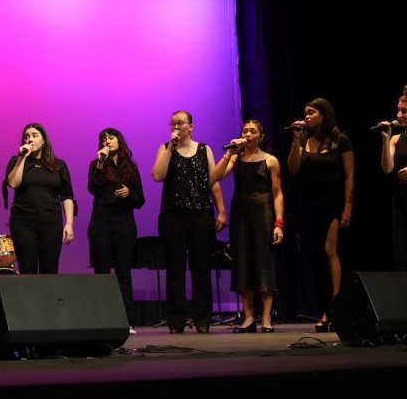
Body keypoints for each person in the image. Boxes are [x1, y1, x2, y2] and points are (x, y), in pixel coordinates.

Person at [151, 110, 226, 334]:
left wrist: (221, 211)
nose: (176, 127)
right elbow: (157, 176)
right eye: (173, 124)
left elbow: (213, 182)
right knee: (175, 270)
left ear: (191, 126)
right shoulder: (165, 148)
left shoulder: (205, 149)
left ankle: (202, 319)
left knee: (201, 268)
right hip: (172, 216)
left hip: (201, 215)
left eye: (180, 123)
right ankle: (176, 321)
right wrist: (170, 148)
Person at [286, 98, 353, 332]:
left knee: (329, 251)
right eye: (305, 112)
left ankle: (334, 309)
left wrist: (347, 207)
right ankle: (324, 307)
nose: (307, 116)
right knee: (315, 256)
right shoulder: (303, 139)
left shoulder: (340, 139)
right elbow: (293, 168)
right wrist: (296, 140)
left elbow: (348, 176)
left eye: (312, 112)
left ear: (324, 115)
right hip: (309, 205)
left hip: (332, 203)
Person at [212, 120, 284, 333]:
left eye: (253, 131)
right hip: (240, 213)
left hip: (262, 213)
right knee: (242, 262)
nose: (248, 134)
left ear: (261, 136)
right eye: (245, 131)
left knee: (263, 263)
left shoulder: (271, 161)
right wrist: (230, 152)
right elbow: (215, 177)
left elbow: (278, 194)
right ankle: (249, 317)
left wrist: (279, 223)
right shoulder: (236, 158)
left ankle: (267, 318)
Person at [87, 128, 144, 335]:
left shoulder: (131, 167)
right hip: (101, 221)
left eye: (111, 138)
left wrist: (130, 193)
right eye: (103, 139)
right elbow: (92, 189)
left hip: (124, 222)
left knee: (123, 273)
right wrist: (101, 164)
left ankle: (127, 320)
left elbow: (140, 201)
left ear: (120, 140)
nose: (107, 141)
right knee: (102, 273)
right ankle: (102, 319)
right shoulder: (96, 165)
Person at [5, 123, 75, 274]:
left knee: (49, 270)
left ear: (43, 141)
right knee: (27, 270)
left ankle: (47, 298)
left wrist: (69, 224)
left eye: (34, 135)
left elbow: (67, 196)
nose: (30, 139)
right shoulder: (15, 161)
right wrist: (22, 157)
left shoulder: (58, 165)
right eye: (26, 136)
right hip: (23, 223)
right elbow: (13, 183)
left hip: (51, 223)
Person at [377, 87, 407, 272]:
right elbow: (387, 168)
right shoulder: (397, 138)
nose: (399, 114)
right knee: (402, 253)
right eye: (398, 110)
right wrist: (386, 139)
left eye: (404, 110)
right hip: (402, 199)